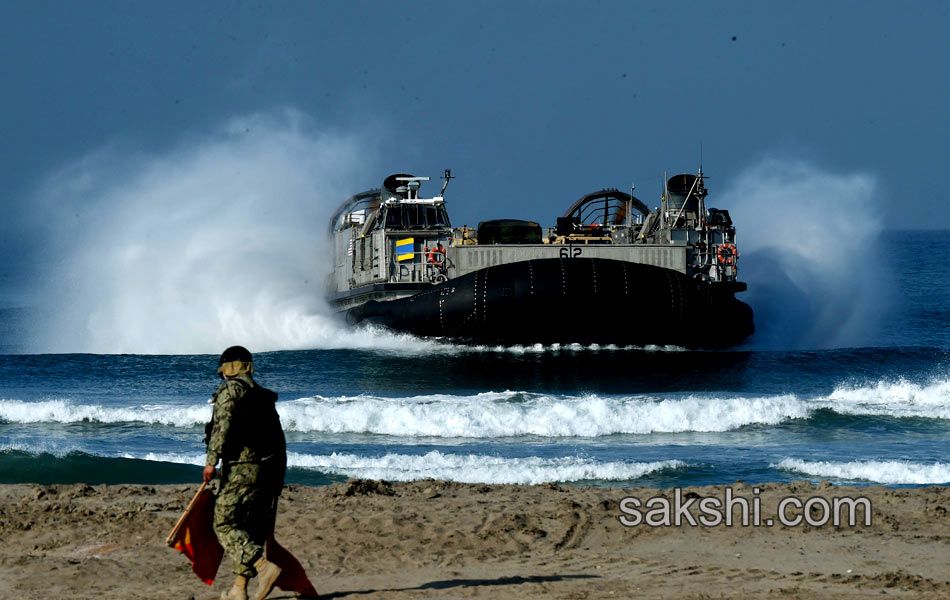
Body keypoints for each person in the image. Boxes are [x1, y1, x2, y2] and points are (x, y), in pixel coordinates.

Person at [204, 345, 287, 600]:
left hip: (242, 468)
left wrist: (211, 461)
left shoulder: (231, 390)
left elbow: (222, 425)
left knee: (224, 522)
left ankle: (263, 567)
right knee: (249, 528)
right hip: (269, 469)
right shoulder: (261, 395)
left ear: (228, 369)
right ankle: (239, 589)